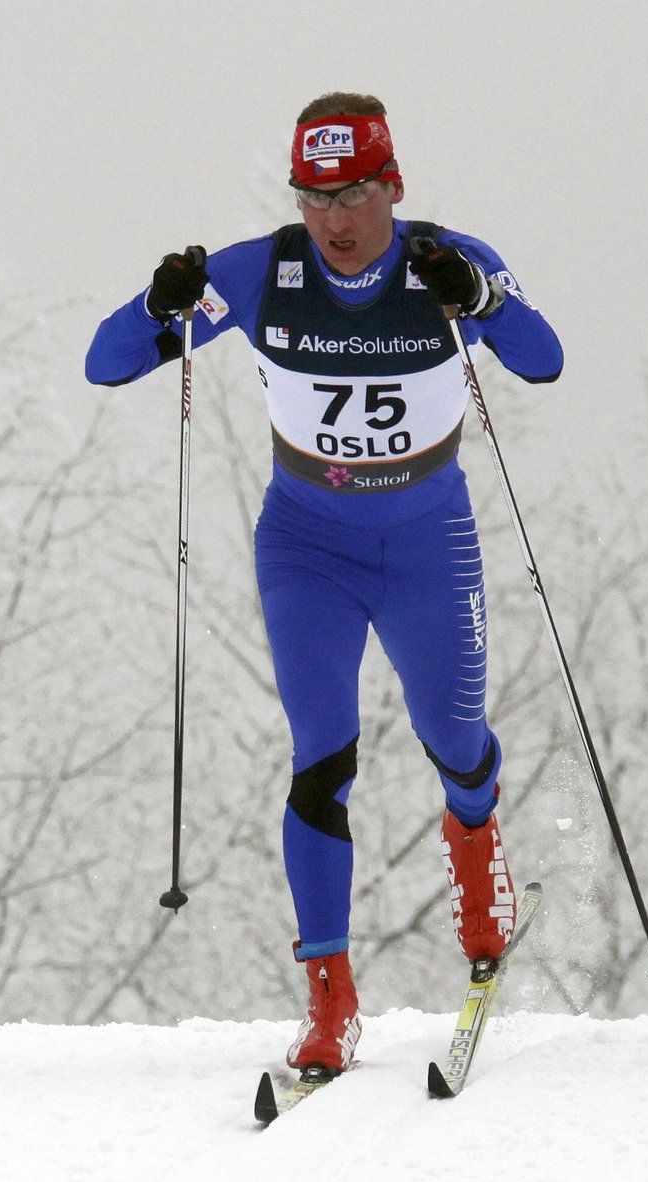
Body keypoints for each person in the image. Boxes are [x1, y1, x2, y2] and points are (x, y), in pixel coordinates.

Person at [86, 92, 563, 1076]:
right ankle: (330, 1000)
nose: (335, 220)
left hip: (429, 541)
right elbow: (109, 362)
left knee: (458, 746)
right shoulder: (265, 273)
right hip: (308, 545)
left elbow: (543, 359)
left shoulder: (444, 261)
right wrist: (158, 305)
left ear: (392, 186)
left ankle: (478, 856)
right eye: (314, 196)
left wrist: (480, 301)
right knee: (319, 759)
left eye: (352, 194)